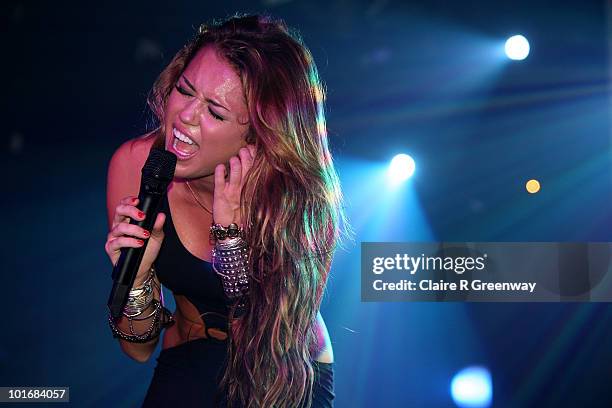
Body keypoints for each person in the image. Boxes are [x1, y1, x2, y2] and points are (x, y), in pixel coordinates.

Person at [104, 13, 351, 408]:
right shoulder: (134, 165)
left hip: (281, 372)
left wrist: (230, 239)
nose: (185, 117)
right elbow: (136, 349)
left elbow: (262, 343)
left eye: (215, 113)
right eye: (184, 91)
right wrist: (135, 279)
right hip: (187, 359)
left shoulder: (298, 193)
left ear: (259, 131)